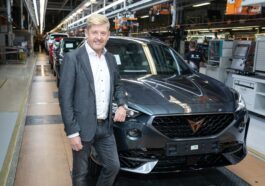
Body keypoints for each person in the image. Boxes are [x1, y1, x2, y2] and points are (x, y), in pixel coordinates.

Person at [59, 14, 127, 186]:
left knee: (113, 166)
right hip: (82, 128)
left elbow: (118, 85)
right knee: (81, 173)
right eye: (95, 32)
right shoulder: (73, 58)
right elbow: (65, 98)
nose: (99, 37)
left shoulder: (110, 59)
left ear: (108, 35)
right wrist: (72, 132)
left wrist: (121, 105)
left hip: (105, 127)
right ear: (86, 33)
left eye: (103, 33)